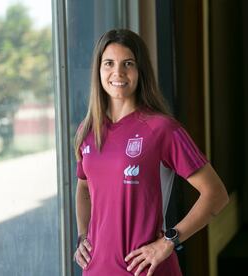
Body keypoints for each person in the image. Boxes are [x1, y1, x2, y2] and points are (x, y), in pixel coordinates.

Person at [73, 29, 229, 276]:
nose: (118, 73)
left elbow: (216, 194)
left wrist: (169, 241)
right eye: (109, 63)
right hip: (96, 270)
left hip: (147, 271)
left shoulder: (162, 129)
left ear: (140, 70)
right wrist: (83, 235)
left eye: (128, 64)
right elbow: (84, 188)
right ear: (98, 71)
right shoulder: (87, 130)